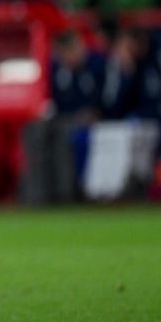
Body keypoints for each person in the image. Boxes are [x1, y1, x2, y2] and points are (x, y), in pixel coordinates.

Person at [20, 30, 104, 204]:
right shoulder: (56, 69)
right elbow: (51, 99)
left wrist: (95, 112)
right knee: (36, 131)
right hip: (62, 117)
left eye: (70, 51)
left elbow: (106, 98)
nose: (67, 57)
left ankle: (67, 194)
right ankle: (38, 196)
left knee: (66, 134)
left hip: (93, 120)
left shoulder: (97, 65)